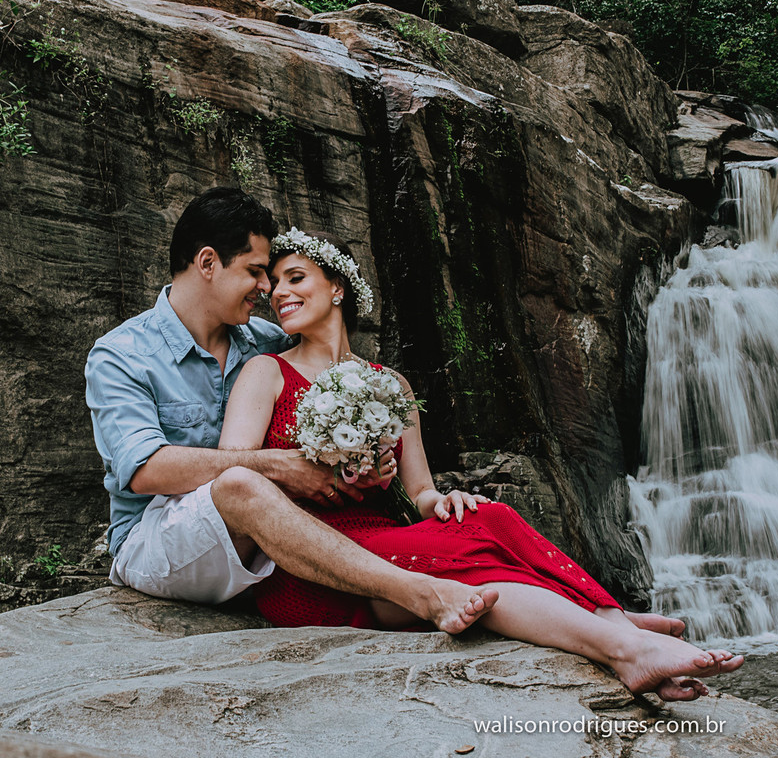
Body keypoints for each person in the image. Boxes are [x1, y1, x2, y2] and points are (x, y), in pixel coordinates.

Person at [215, 227, 744, 700]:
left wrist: (441, 499)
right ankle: (620, 633)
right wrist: (317, 469)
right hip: (311, 562)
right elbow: (231, 470)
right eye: (275, 284)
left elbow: (419, 494)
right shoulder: (267, 372)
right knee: (479, 561)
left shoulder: (391, 384)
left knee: (484, 517)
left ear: (337, 288)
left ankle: (621, 637)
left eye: (296, 277)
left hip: (386, 543)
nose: (279, 293)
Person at [86, 188, 499, 635]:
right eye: (257, 272)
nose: (268, 289)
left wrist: (369, 463)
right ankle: (416, 593)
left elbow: (332, 389)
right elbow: (146, 469)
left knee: (487, 528)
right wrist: (277, 466)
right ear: (207, 263)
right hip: (157, 538)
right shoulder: (121, 355)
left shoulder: (267, 341)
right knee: (243, 482)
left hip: (268, 547)